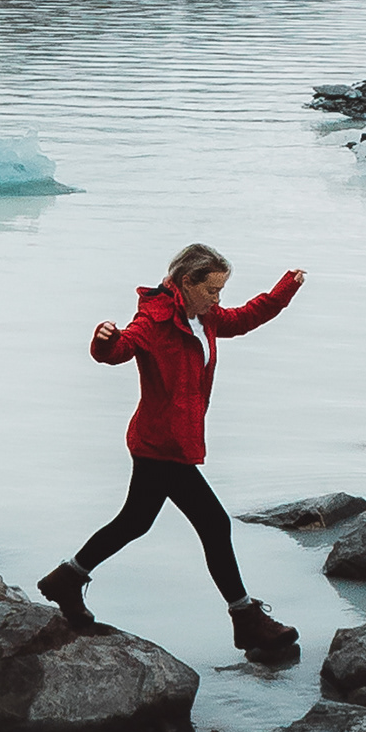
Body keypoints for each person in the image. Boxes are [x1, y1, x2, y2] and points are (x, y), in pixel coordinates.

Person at [43, 242, 307, 659]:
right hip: (159, 444)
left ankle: (67, 578)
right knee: (215, 524)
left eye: (221, 291)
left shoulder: (205, 317)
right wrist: (103, 341)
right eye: (212, 290)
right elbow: (121, 349)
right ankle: (246, 620)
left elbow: (244, 318)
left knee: (134, 521)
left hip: (173, 442)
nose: (218, 299)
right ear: (187, 282)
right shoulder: (157, 317)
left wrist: (284, 290)